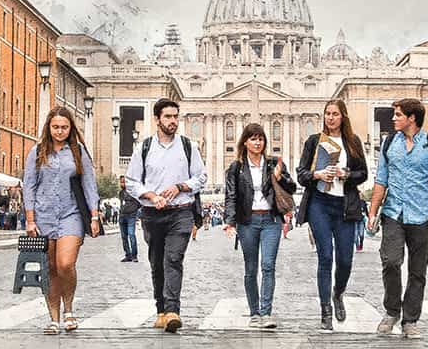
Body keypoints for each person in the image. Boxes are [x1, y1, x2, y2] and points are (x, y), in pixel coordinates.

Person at [367, 98, 428, 339]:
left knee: (417, 270)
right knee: (391, 261)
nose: (393, 118)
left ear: (412, 118)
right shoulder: (389, 143)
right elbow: (381, 180)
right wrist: (373, 211)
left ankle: (410, 319)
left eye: (397, 115)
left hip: (422, 214)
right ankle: (392, 310)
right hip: (393, 212)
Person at [125, 98, 207, 333]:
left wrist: (180, 186)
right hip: (152, 213)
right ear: (157, 119)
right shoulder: (144, 148)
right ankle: (161, 310)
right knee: (156, 263)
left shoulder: (188, 146)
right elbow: (131, 182)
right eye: (168, 117)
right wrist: (151, 195)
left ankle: (173, 311)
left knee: (173, 258)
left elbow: (201, 178)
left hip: (181, 212)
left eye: (175, 117)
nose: (173, 121)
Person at [23, 106, 100, 335]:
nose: (60, 131)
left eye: (64, 127)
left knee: (65, 264)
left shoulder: (78, 152)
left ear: (70, 128)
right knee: (51, 268)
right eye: (56, 127)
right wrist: (30, 220)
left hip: (71, 214)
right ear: (48, 127)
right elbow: (29, 186)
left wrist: (94, 216)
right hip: (44, 215)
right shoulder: (37, 152)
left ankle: (69, 310)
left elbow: (89, 184)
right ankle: (53, 318)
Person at [297, 98, 368, 331]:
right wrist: (317, 175)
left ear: (343, 116)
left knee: (345, 260)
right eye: (327, 113)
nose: (330, 117)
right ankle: (325, 309)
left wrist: (345, 173)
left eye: (335, 114)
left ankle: (338, 293)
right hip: (320, 203)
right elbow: (301, 174)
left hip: (345, 205)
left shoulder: (353, 142)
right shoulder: (314, 141)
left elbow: (363, 174)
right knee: (325, 256)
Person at [224, 123, 297, 329]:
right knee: (250, 269)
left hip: (271, 220)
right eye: (253, 139)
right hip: (248, 221)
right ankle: (254, 312)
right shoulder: (236, 167)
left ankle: (266, 313)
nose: (258, 143)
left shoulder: (274, 163)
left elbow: (292, 187)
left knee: (268, 266)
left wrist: (279, 177)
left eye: (261, 139)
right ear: (245, 142)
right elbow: (231, 196)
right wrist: (230, 222)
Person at [118, 175, 141, 262]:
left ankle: (134, 255)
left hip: (131, 216)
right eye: (121, 182)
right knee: (124, 237)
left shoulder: (133, 192)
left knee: (131, 234)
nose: (122, 184)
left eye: (123, 182)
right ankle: (128, 255)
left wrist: (133, 210)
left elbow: (139, 203)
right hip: (122, 216)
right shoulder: (121, 193)